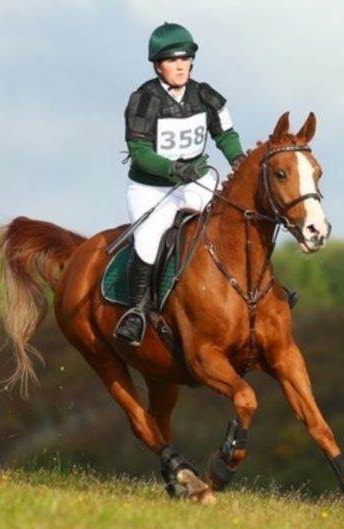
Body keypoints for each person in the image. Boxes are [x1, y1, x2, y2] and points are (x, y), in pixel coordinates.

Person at [114, 22, 247, 346]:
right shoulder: (144, 100)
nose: (180, 66)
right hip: (152, 187)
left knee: (237, 223)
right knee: (148, 240)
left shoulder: (205, 95)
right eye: (172, 60)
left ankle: (266, 289)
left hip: (197, 179)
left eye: (185, 59)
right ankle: (138, 312)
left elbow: (225, 135)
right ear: (158, 65)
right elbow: (140, 153)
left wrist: (239, 163)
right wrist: (173, 168)